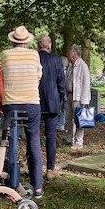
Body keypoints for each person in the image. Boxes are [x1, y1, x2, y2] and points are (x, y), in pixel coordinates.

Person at [1, 26, 43, 198]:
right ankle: (38, 185)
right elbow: (39, 76)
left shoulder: (5, 55)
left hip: (11, 103)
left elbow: (4, 76)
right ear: (27, 41)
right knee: (33, 141)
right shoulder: (34, 55)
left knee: (11, 142)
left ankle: (12, 183)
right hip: (32, 102)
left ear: (13, 40)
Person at [37, 35, 66, 180]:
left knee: (34, 135)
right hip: (52, 102)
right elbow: (61, 82)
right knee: (51, 136)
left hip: (35, 100)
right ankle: (50, 168)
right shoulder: (56, 60)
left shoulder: (34, 59)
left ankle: (34, 167)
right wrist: (60, 99)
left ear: (38, 46)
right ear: (49, 46)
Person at [64, 44, 91, 149]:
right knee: (69, 118)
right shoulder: (71, 65)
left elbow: (86, 84)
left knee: (79, 119)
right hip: (70, 95)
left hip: (79, 97)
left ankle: (79, 141)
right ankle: (69, 138)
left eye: (70, 53)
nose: (68, 55)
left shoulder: (83, 66)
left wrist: (84, 100)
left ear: (74, 54)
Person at [57, 56, 69, 132]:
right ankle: (61, 124)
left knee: (60, 109)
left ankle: (59, 124)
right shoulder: (67, 71)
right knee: (63, 110)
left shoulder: (60, 72)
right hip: (65, 93)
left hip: (61, 93)